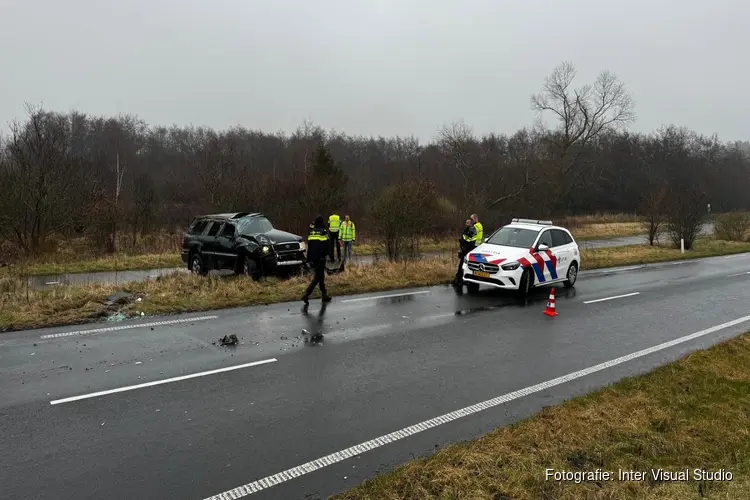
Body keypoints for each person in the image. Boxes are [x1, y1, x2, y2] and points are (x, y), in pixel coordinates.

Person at [303, 215, 334, 304]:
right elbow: (327, 246)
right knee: (318, 277)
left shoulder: (312, 232)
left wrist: (308, 259)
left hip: (313, 257)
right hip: (321, 257)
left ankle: (324, 294)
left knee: (321, 276)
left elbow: (309, 246)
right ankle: (307, 294)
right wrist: (331, 257)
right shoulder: (323, 232)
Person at [454, 218, 477, 285]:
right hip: (464, 250)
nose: (466, 224)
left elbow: (469, 241)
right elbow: (464, 238)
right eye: (466, 222)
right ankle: (459, 278)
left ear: (471, 223)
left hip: (468, 251)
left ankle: (462, 279)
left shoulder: (472, 230)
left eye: (467, 223)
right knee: (461, 265)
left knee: (464, 265)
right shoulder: (467, 229)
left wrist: (461, 241)